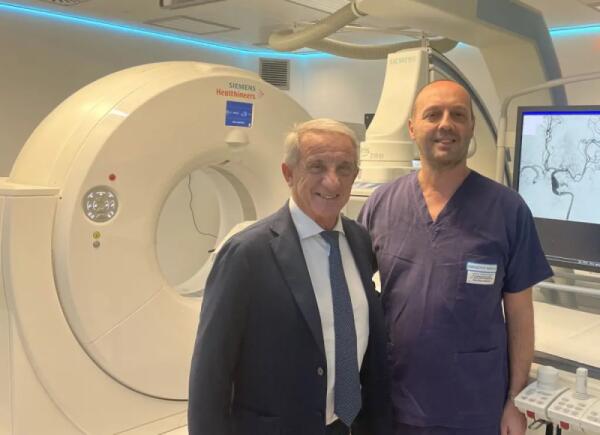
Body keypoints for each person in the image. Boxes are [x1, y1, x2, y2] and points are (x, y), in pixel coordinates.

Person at [358, 80, 553, 435]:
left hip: (474, 405)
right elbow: (352, 294)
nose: (445, 124)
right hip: (394, 398)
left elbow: (520, 316)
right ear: (413, 128)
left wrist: (515, 400)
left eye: (458, 115)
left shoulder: (508, 210)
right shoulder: (381, 205)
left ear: (471, 127)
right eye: (433, 114)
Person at [188, 118, 392, 435]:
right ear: (288, 173)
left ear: (355, 176)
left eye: (344, 168)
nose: (332, 182)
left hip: (347, 426)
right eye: (316, 167)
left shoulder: (359, 241)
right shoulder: (247, 254)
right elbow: (210, 373)